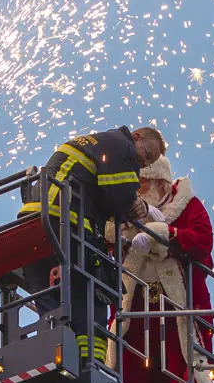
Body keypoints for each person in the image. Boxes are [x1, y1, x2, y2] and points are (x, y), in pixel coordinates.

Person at [20, 125, 165, 364]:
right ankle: (90, 365)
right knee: (96, 290)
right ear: (136, 138)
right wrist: (137, 206)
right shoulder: (122, 146)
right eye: (147, 154)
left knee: (49, 296)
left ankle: (55, 353)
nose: (143, 163)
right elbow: (122, 196)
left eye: (149, 162)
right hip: (66, 223)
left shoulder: (96, 143)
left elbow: (102, 195)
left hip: (33, 223)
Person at [112, 152, 214, 383]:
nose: (136, 190)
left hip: (177, 302)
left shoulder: (187, 204)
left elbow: (203, 240)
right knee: (130, 357)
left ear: (160, 182)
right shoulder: (125, 212)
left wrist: (165, 234)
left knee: (183, 356)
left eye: (142, 183)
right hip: (138, 302)